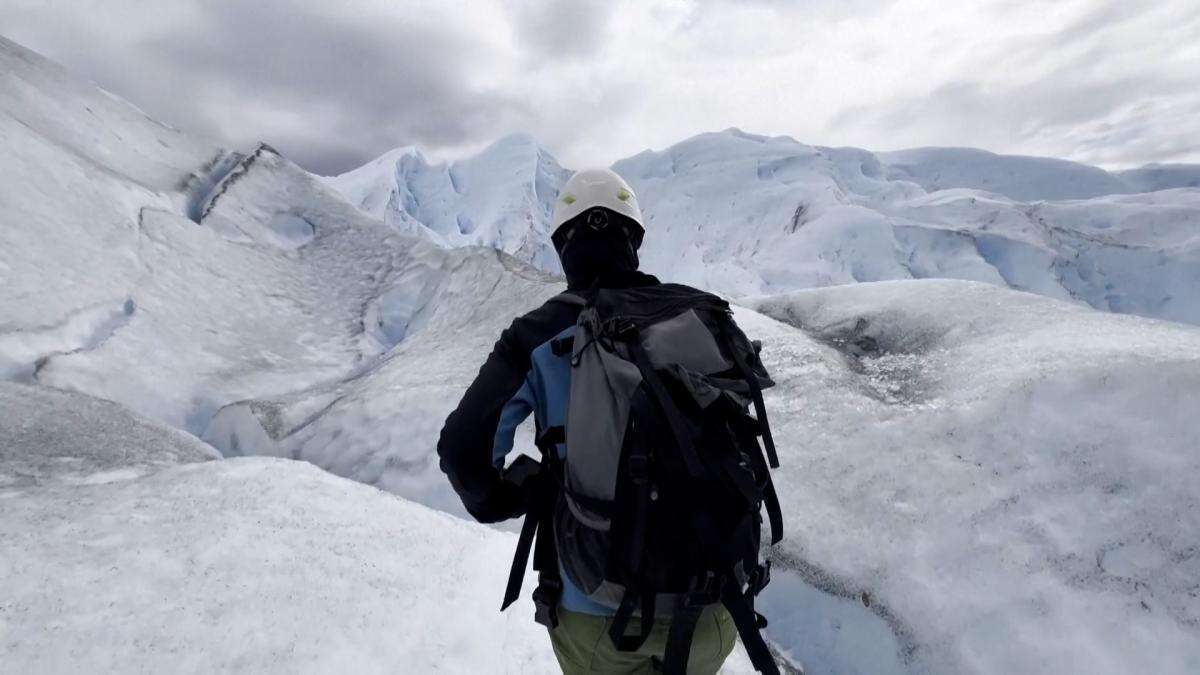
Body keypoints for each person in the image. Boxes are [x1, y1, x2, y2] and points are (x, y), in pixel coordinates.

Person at [437, 169, 744, 674]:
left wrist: (514, 495)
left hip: (595, 606)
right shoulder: (703, 317)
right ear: (636, 241)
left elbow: (462, 449)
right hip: (711, 602)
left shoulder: (537, 336)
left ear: (562, 246)